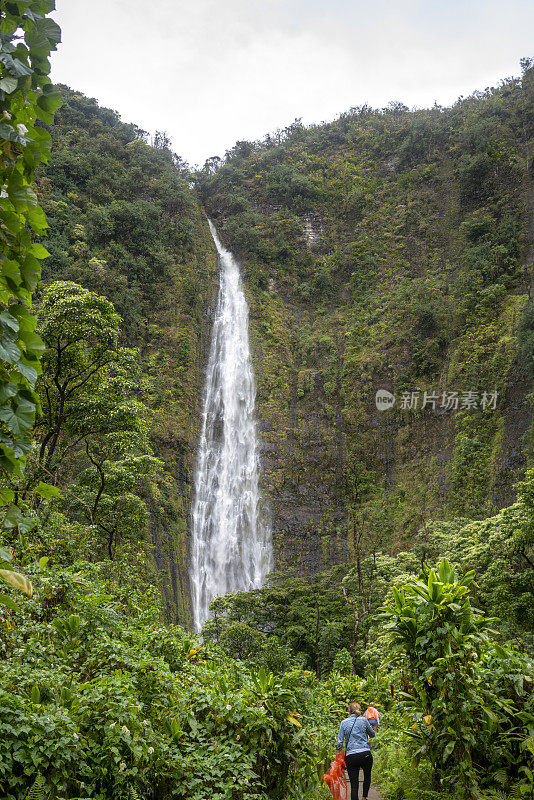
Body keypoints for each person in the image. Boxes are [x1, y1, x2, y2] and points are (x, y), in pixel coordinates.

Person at [336, 701, 376, 800]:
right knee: (367, 776)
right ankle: (364, 797)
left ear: (349, 711)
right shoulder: (364, 720)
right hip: (365, 754)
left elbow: (340, 742)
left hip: (351, 756)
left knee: (354, 785)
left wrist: (338, 757)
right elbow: (372, 734)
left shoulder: (343, 723)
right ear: (359, 710)